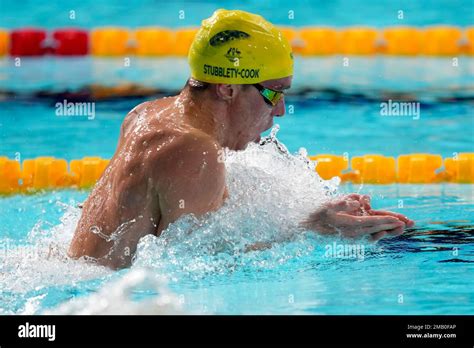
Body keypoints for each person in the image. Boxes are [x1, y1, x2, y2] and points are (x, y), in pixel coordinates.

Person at [68, 9, 414, 269]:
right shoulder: (195, 151)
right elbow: (192, 267)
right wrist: (313, 227)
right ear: (228, 88)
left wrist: (307, 213)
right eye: (273, 93)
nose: (279, 110)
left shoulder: (147, 114)